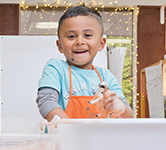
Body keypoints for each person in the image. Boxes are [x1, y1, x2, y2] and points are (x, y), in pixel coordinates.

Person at [36, 5, 133, 122]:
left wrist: (119, 108)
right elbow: (46, 102)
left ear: (101, 43)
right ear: (60, 45)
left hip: (97, 138)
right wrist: (73, 132)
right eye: (71, 36)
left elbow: (128, 115)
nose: (80, 41)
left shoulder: (106, 76)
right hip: (64, 138)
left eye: (87, 35)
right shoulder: (56, 68)